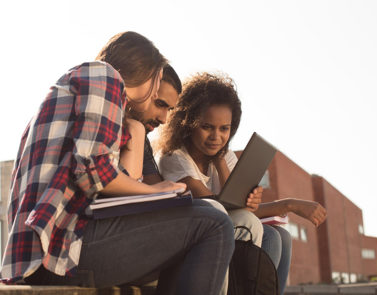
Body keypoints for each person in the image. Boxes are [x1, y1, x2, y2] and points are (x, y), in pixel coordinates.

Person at [0, 32, 235, 295]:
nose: (163, 114)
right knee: (214, 222)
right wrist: (156, 190)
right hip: (58, 248)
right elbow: (93, 172)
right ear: (149, 75)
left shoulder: (76, 90)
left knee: (198, 229)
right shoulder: (104, 76)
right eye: (157, 86)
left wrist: (134, 130)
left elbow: (114, 181)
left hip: (48, 248)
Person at [157, 72, 327, 295]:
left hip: (226, 226)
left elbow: (236, 206)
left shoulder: (223, 156)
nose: (216, 137)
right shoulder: (174, 157)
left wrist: (287, 204)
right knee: (260, 228)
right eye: (207, 127)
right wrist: (276, 205)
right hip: (189, 235)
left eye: (224, 129)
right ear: (188, 123)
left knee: (280, 236)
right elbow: (215, 207)